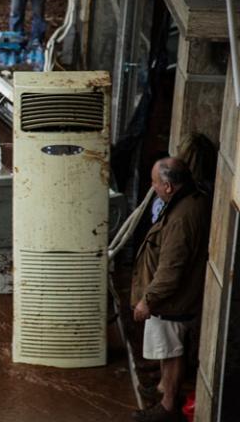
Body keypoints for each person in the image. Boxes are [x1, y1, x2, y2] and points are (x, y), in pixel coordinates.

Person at [131, 157, 211, 422]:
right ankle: (164, 388)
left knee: (171, 350)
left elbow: (171, 269)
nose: (152, 188)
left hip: (173, 300)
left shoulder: (181, 217)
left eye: (154, 183)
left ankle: (167, 406)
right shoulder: (189, 201)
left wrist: (148, 300)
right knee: (168, 349)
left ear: (167, 186)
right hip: (176, 297)